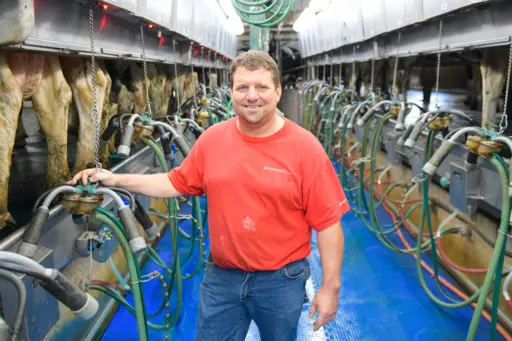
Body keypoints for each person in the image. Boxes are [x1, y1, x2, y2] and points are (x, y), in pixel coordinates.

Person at [70, 50, 350, 341]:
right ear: (231, 92)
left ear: (277, 92)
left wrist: (330, 288)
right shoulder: (213, 140)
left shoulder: (305, 148)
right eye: (242, 87)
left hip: (280, 281)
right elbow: (174, 182)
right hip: (222, 278)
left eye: (261, 87)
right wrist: (115, 179)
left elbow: (328, 223)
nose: (251, 96)